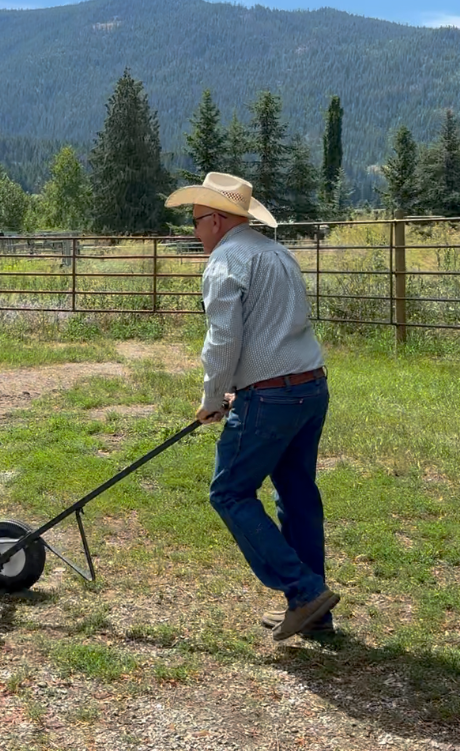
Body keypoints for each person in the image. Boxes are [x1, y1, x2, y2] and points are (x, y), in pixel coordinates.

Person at [165, 172, 339, 641]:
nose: (195, 232)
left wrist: (211, 398)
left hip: (270, 398)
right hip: (310, 386)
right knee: (296, 493)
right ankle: (314, 610)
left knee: (230, 493)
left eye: (196, 222)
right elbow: (271, 328)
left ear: (216, 220)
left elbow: (224, 339)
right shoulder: (276, 253)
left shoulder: (226, 260)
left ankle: (305, 592)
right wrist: (236, 389)